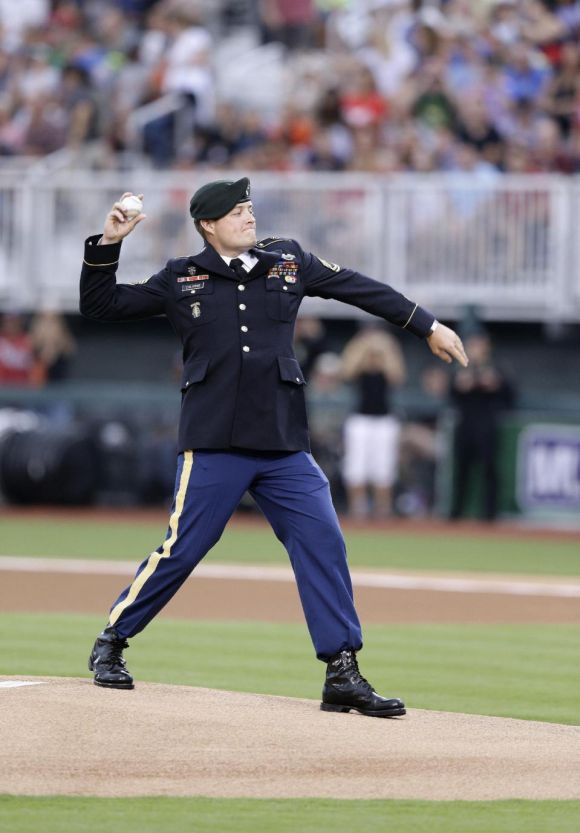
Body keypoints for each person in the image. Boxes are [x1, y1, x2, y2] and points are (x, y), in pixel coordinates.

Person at [81, 177, 468, 718]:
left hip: (283, 442)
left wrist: (427, 325)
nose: (249, 216)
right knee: (183, 548)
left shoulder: (288, 260)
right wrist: (108, 243)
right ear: (207, 225)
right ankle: (113, 640)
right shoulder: (181, 276)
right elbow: (101, 305)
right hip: (214, 441)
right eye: (236, 211)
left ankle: (342, 671)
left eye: (249, 207)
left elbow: (358, 287)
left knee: (323, 541)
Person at [341, 324, 406, 519]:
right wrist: (362, 345)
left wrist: (386, 347)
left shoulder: (387, 361)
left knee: (384, 468)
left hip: (384, 421)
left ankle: (382, 511)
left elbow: (397, 376)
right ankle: (358, 510)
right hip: (360, 420)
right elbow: (347, 371)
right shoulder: (360, 363)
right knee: (356, 466)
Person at [449, 330, 514, 521]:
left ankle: (490, 514)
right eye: (473, 345)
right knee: (462, 469)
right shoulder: (461, 367)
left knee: (489, 468)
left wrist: (495, 384)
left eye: (480, 345)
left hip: (487, 424)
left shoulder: (497, 368)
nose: (476, 349)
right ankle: (456, 512)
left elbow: (510, 396)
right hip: (466, 423)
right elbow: (451, 394)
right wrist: (461, 385)